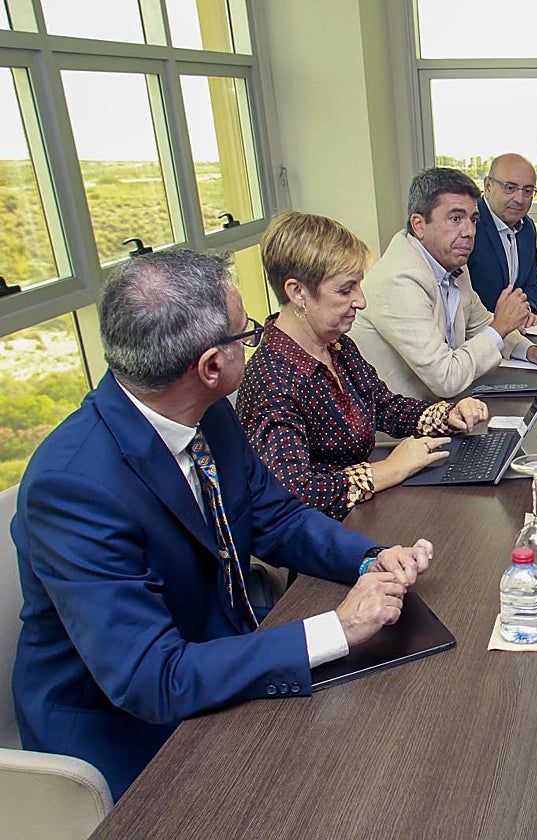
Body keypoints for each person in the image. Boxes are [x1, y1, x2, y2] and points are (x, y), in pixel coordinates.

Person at [11, 249, 436, 799]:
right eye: (247, 334)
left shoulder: (205, 410)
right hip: (127, 729)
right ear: (213, 365)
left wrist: (367, 558)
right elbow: (153, 678)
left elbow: (275, 517)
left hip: (216, 653)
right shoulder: (72, 487)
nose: (258, 341)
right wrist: (337, 628)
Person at [237, 211, 488, 521]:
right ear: (297, 292)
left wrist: (448, 414)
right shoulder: (272, 379)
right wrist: (389, 469)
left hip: (365, 513)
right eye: (345, 290)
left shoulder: (336, 345)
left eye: (358, 286)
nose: (361, 301)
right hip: (323, 539)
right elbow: (296, 491)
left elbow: (383, 407)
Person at [351, 167, 537, 400]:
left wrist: (532, 352)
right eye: (455, 219)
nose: (469, 231)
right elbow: (446, 378)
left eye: (473, 219)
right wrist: (500, 326)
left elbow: (481, 323)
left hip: (444, 409)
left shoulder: (452, 263)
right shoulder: (399, 280)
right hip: (400, 428)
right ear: (418, 225)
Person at [468, 154, 537, 322]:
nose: (519, 199)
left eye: (528, 191)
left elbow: (531, 284)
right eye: (510, 188)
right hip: (477, 336)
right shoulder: (469, 226)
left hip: (517, 335)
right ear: (488, 186)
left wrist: (527, 310)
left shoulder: (527, 227)